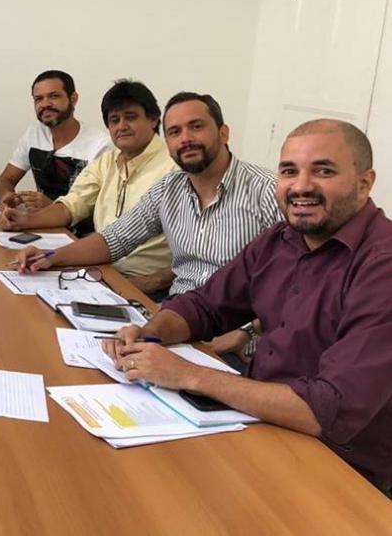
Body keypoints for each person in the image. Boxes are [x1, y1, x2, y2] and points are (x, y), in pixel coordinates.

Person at [102, 119, 392, 495]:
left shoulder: (381, 264)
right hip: (256, 423)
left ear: (364, 183)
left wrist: (189, 375)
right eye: (289, 171)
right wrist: (150, 333)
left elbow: (329, 410)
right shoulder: (281, 239)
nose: (301, 186)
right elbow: (205, 305)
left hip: (339, 469)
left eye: (323, 171)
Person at [17, 92, 282, 294]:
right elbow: (114, 239)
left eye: (196, 126)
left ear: (223, 133)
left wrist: (245, 334)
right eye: (175, 132)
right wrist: (49, 257)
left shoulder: (269, 192)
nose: (185, 139)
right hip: (179, 314)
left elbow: (293, 282)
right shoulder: (169, 188)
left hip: (231, 330)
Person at [0, 80, 177, 295]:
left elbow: (195, 254)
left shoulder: (175, 169)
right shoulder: (107, 161)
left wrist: (150, 282)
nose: (121, 126)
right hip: (101, 272)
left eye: (130, 117)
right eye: (114, 120)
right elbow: (71, 206)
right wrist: (25, 223)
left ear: (154, 119)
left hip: (148, 285)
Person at [0, 70, 110, 212]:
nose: (45, 104)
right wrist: (7, 196)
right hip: (38, 221)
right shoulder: (34, 133)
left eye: (54, 96)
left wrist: (53, 207)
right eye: (38, 99)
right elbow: (5, 179)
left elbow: (103, 210)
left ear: (73, 99)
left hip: (77, 226)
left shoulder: (99, 145)